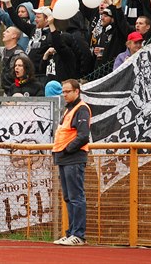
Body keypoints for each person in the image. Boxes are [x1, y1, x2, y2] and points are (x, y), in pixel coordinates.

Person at [52, 79, 91, 246]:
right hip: (64, 158)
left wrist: (67, 149)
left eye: (68, 91)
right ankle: (71, 232)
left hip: (73, 158)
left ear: (77, 92)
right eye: (63, 91)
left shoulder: (81, 109)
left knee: (76, 197)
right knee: (69, 197)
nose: (64, 94)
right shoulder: (69, 109)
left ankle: (78, 234)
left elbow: (83, 136)